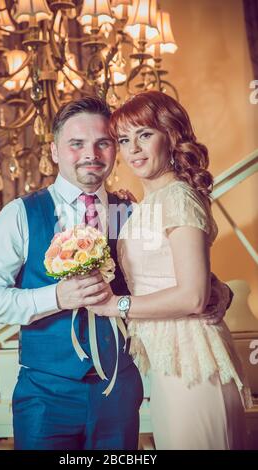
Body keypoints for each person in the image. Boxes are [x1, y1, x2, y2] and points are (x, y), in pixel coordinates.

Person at [0, 96, 231, 450]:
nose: (90, 154)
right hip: (46, 395)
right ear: (55, 151)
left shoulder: (132, 211)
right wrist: (56, 296)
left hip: (119, 391)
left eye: (104, 143)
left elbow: (175, 270)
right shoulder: (20, 214)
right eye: (76, 144)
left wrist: (220, 290)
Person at [90, 90, 251, 450]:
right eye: (124, 140)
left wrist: (115, 305)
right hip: (167, 359)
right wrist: (220, 288)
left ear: (171, 135)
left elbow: (192, 297)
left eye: (145, 135)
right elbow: (176, 273)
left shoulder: (178, 197)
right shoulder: (149, 202)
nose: (133, 149)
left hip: (191, 359)